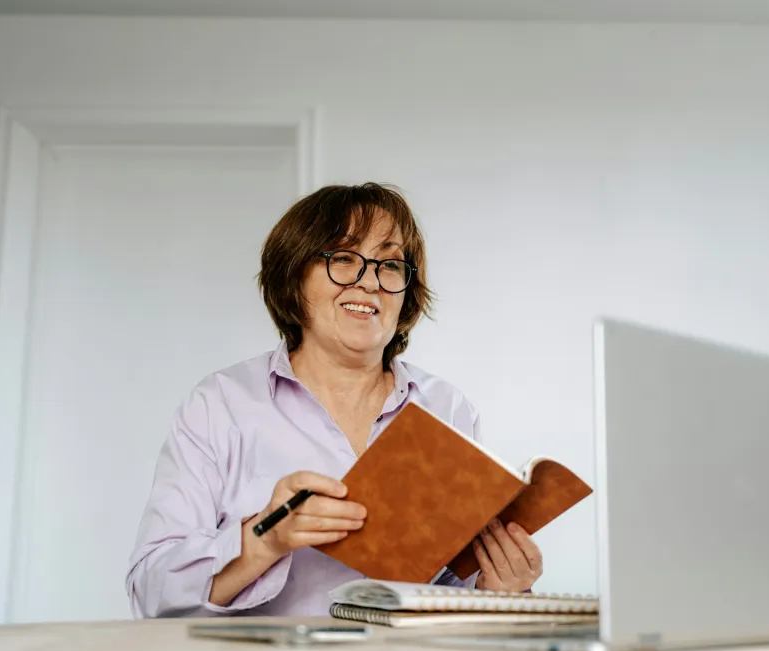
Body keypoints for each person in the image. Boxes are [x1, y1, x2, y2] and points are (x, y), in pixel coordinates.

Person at [125, 183, 543, 618]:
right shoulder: (220, 405)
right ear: (294, 275)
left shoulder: (448, 408)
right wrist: (264, 539)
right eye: (343, 258)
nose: (369, 281)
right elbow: (149, 592)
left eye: (390, 264)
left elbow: (454, 588)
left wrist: (501, 586)